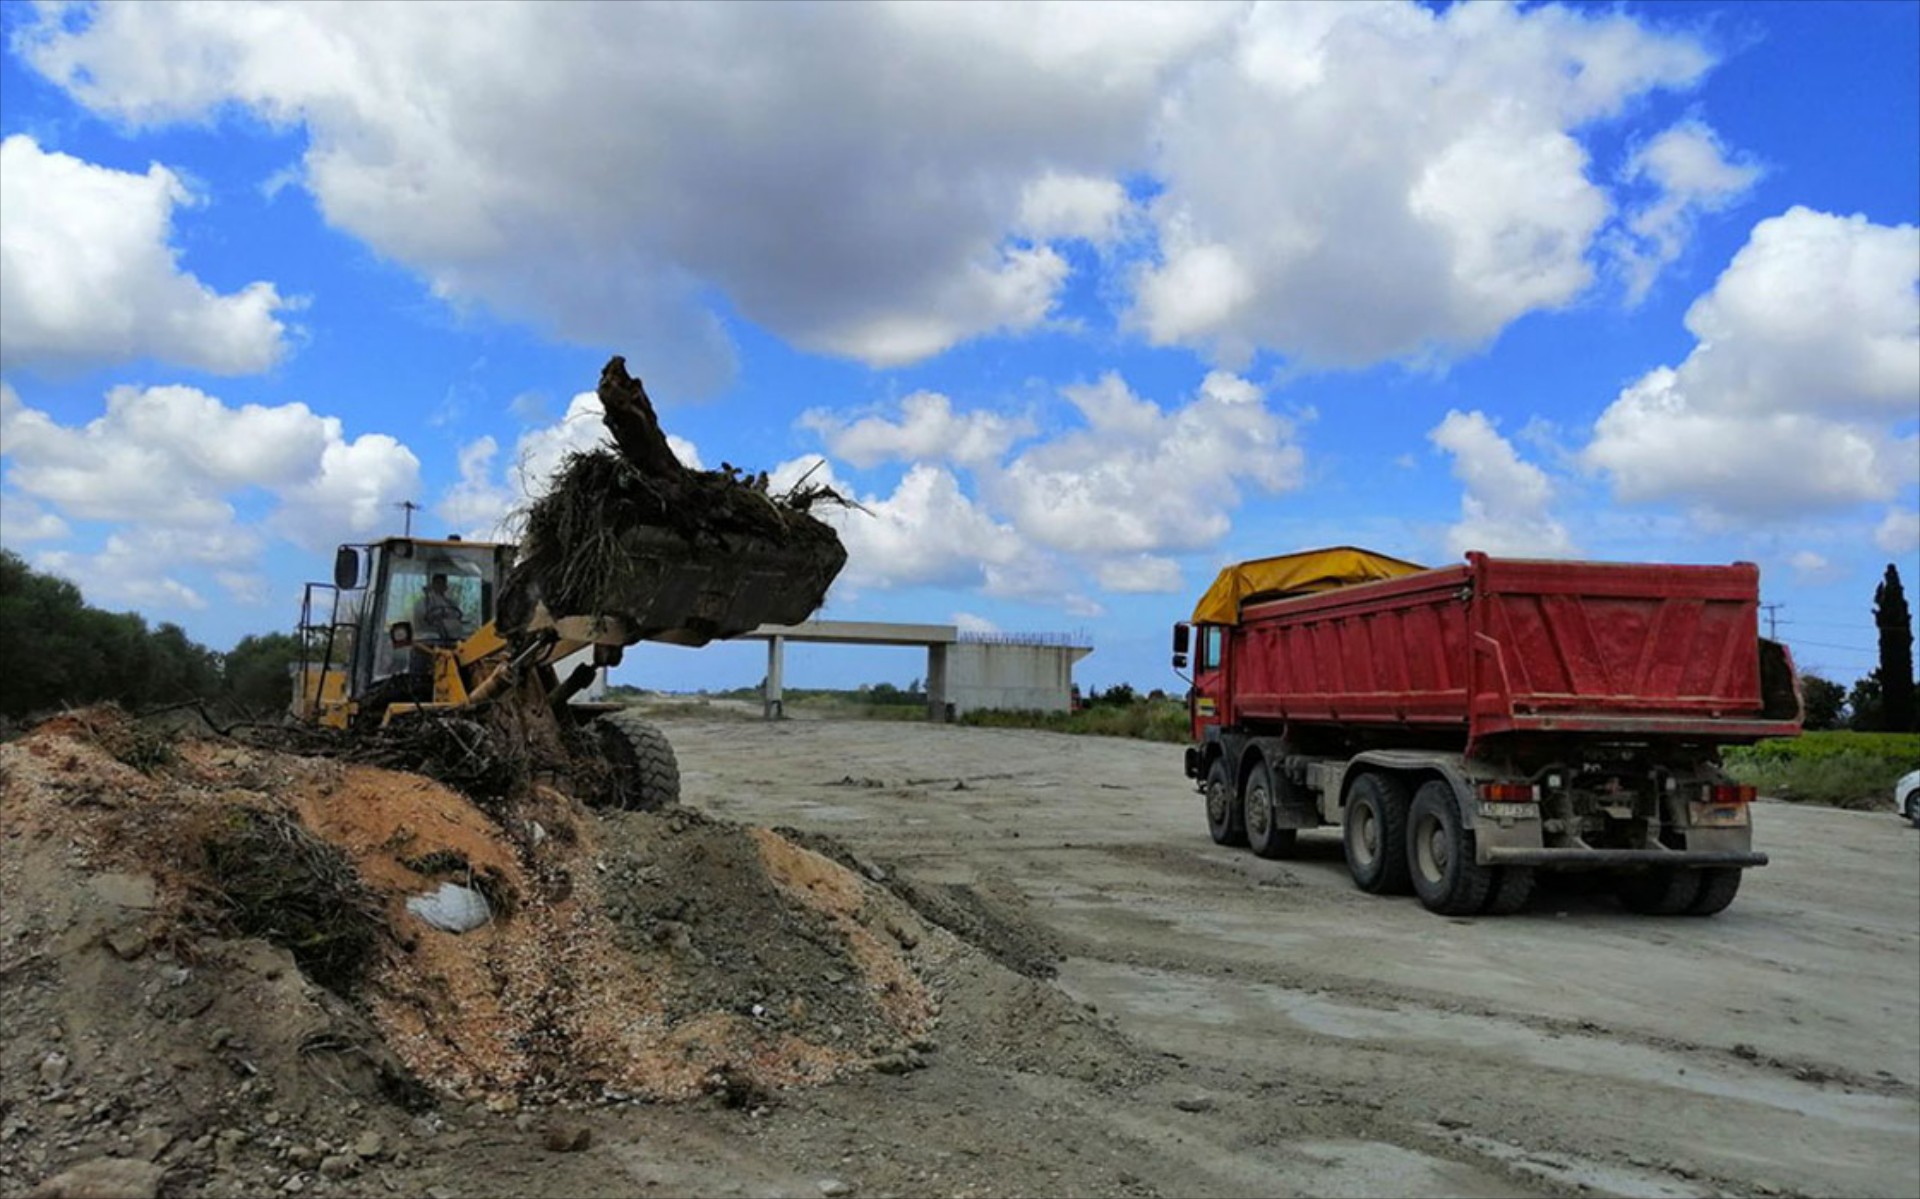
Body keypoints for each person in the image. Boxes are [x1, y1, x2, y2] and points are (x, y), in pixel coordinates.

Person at [413, 573, 467, 642]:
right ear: (432, 585)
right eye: (438, 583)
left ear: (445, 587)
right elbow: (421, 618)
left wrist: (448, 615)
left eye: (442, 583)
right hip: (429, 637)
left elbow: (457, 615)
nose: (440, 586)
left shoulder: (451, 603)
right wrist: (434, 616)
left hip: (452, 637)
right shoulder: (422, 603)